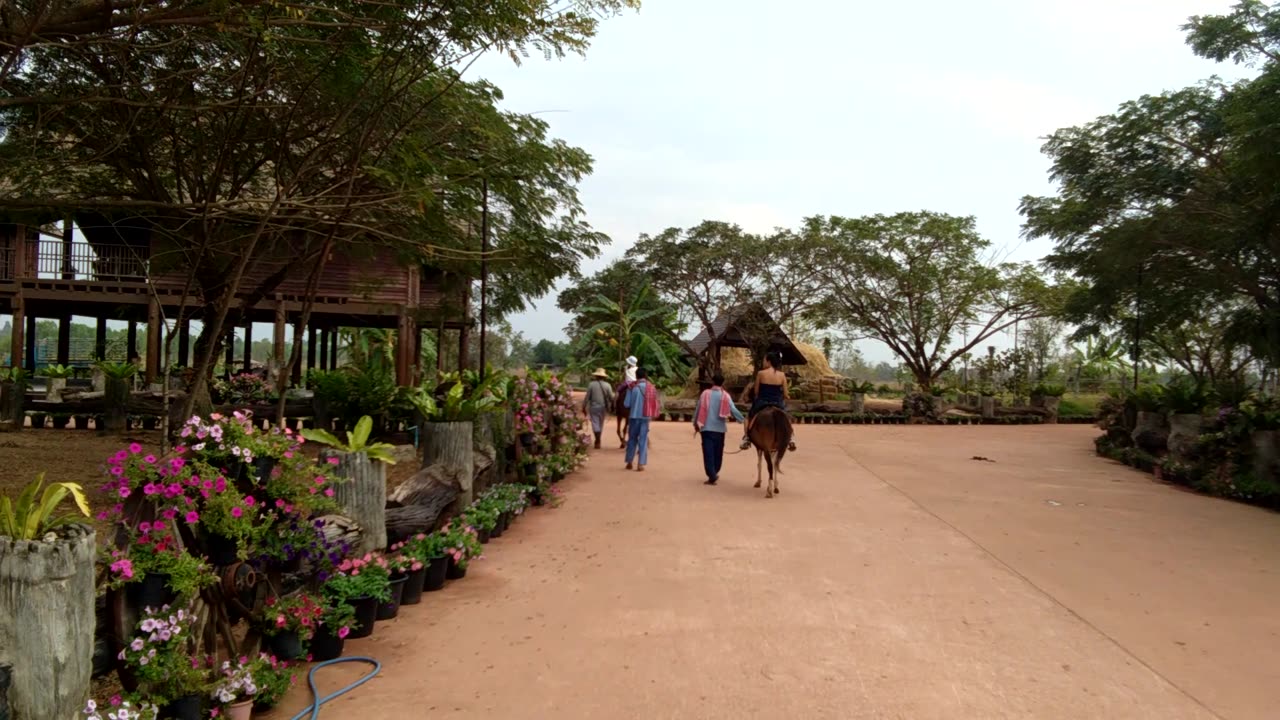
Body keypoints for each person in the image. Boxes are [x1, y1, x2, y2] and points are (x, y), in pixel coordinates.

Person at [740, 350, 798, 451]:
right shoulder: (782, 375)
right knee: (787, 418)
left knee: (748, 417)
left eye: (764, 360)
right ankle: (791, 437)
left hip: (762, 402)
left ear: (769, 361)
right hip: (778, 403)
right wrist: (786, 397)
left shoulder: (761, 373)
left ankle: (747, 438)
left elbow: (756, 391)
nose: (763, 362)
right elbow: (785, 393)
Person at [693, 372, 745, 485]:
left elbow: (698, 408)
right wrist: (742, 419)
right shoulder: (725, 396)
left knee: (708, 452)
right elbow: (733, 409)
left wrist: (695, 423)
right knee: (718, 452)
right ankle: (714, 471)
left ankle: (712, 474)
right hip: (720, 429)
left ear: (712, 382)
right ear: (722, 383)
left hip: (706, 428)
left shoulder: (705, 394)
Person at [623, 366, 659, 471]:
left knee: (632, 440)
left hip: (633, 417)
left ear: (636, 376)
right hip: (645, 418)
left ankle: (629, 462)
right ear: (646, 376)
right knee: (643, 440)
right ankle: (640, 464)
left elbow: (626, 404)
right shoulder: (651, 388)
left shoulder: (632, 387)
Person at [582, 368, 615, 450]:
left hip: (593, 407)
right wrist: (612, 406)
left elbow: (587, 397)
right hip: (603, 407)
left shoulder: (591, 385)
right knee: (600, 424)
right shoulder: (607, 385)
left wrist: (584, 406)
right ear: (604, 377)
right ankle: (598, 439)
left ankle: (597, 440)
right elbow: (611, 398)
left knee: (595, 424)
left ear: (596, 376)